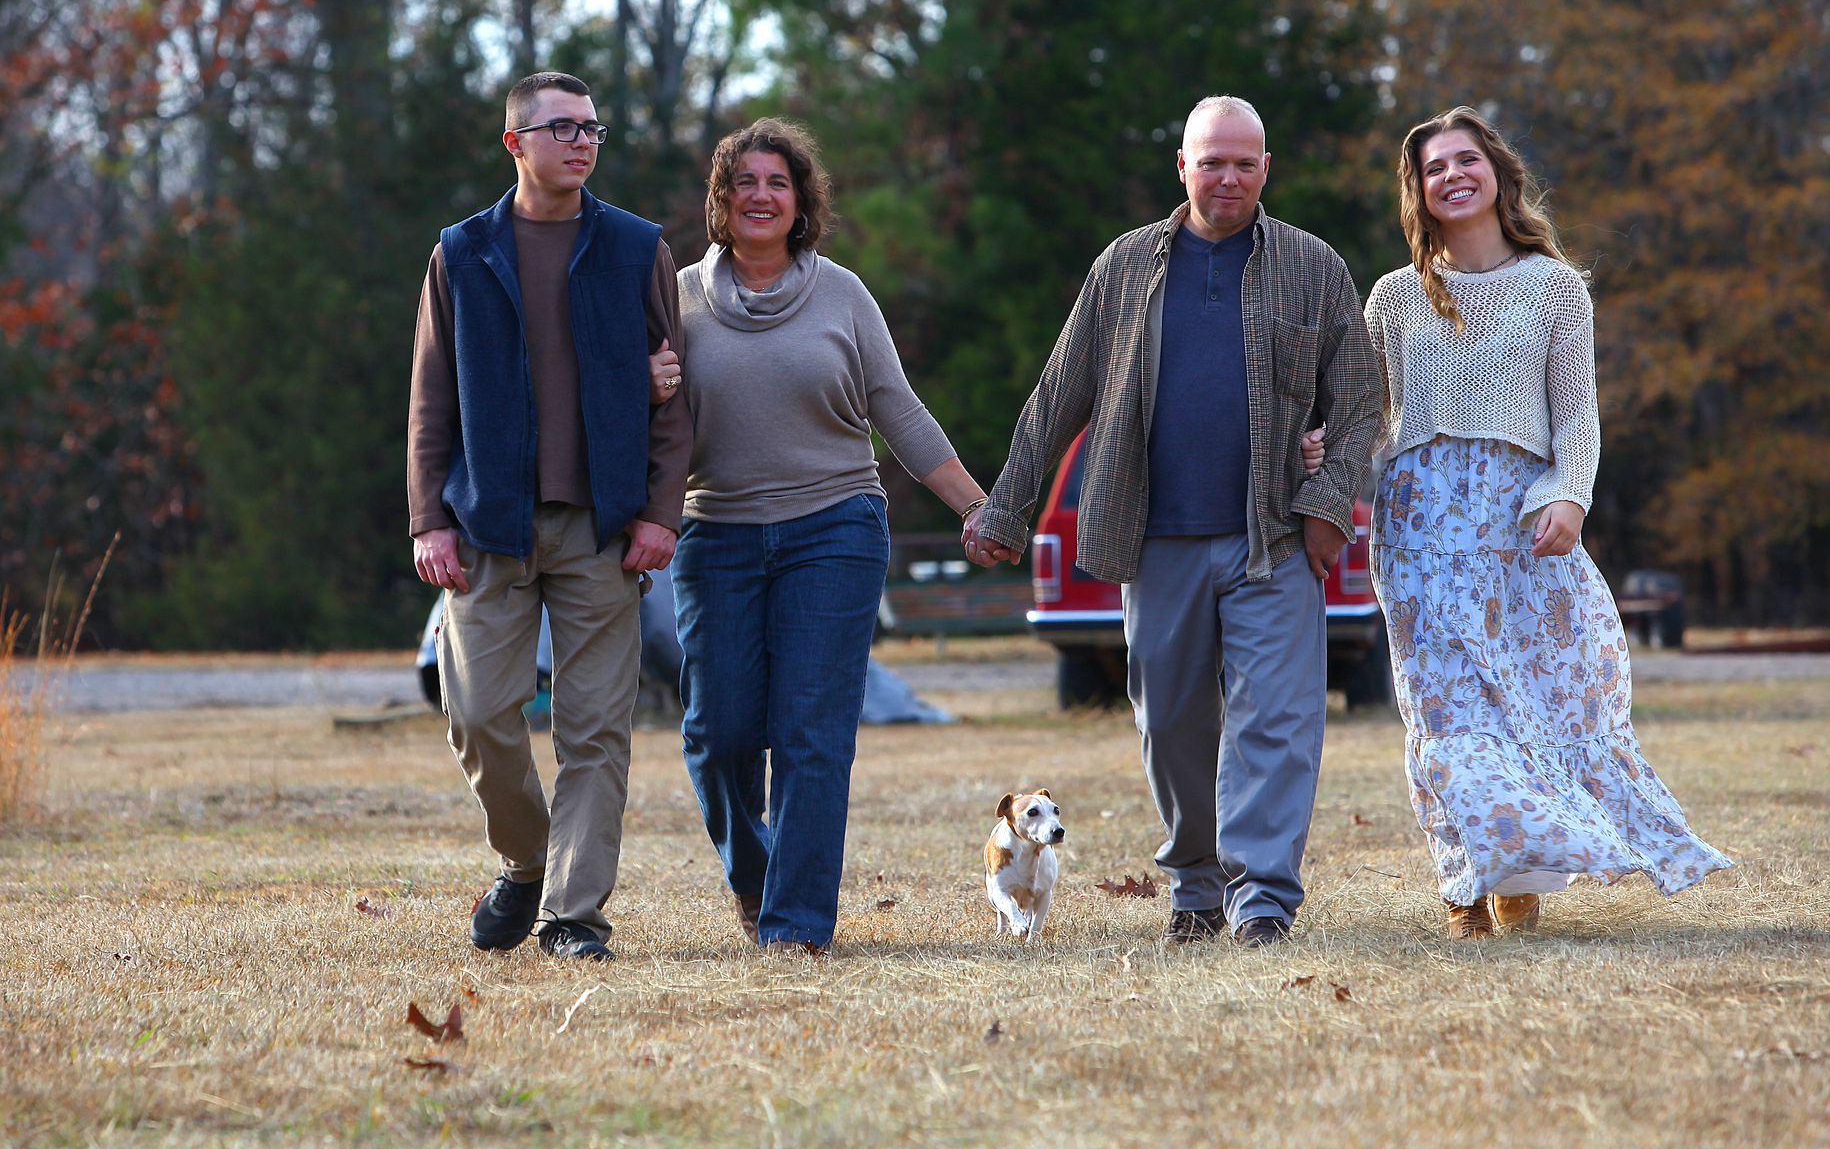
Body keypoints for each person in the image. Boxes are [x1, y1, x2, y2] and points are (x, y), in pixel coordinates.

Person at [968, 95, 1384, 947]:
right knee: (1173, 726)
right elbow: (1060, 393)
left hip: (1270, 537)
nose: (1226, 176)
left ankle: (1261, 900)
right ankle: (1196, 885)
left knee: (1277, 719)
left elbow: (1360, 399)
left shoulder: (1314, 267)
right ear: (1183, 166)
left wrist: (1326, 507)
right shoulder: (1123, 268)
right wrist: (1007, 506)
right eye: (1211, 160)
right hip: (1153, 540)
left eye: (1244, 162)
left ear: (1265, 170)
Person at [1366, 106, 1732, 939]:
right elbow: (1368, 423)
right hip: (1417, 526)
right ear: (1418, 191)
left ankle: (1518, 875)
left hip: (1519, 522)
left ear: (1497, 172)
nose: (1452, 175)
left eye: (1466, 159)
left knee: (1531, 700)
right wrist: (1326, 465)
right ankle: (1463, 883)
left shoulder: (1554, 287)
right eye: (1434, 167)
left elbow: (1577, 415)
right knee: (1442, 709)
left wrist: (1570, 494)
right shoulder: (1392, 297)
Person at [674, 117, 993, 955]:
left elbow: (898, 410)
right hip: (718, 538)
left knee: (813, 737)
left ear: (801, 200)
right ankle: (755, 875)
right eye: (744, 182)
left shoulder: (843, 294)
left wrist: (974, 505)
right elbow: (647, 422)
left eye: (777, 182)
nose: (760, 195)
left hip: (834, 533)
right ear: (721, 199)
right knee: (719, 735)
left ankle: (796, 924)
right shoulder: (677, 300)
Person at [407, 71, 691, 962]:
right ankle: (528, 862)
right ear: (515, 143)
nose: (580, 142)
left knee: (596, 728)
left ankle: (575, 915)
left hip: (602, 528)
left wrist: (658, 513)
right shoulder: (462, 252)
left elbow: (674, 396)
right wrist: (428, 519)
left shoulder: (636, 247)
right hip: (488, 522)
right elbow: (430, 401)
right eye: (561, 127)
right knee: (479, 709)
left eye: (592, 129)